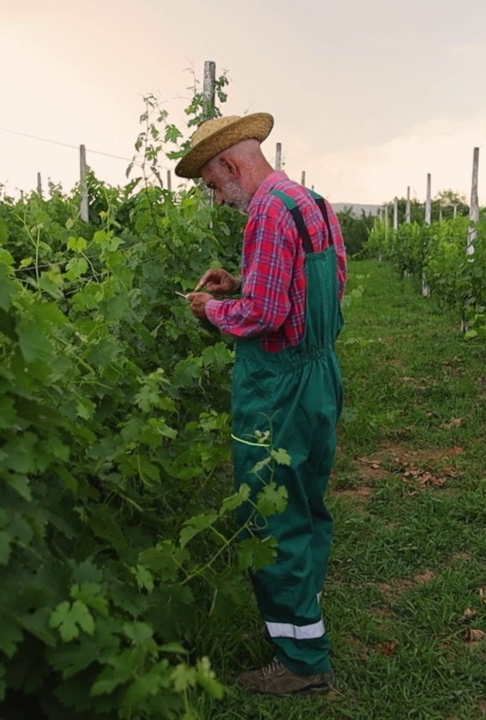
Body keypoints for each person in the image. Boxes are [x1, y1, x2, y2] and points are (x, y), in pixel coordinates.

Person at [174, 112, 347, 696]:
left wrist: (211, 309)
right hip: (319, 375)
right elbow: (316, 286)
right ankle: (306, 617)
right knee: (308, 504)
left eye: (214, 185)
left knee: (272, 516)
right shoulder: (310, 203)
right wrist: (244, 282)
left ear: (229, 165)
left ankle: (301, 663)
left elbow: (266, 317)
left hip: (278, 389)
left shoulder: (265, 214)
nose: (219, 199)